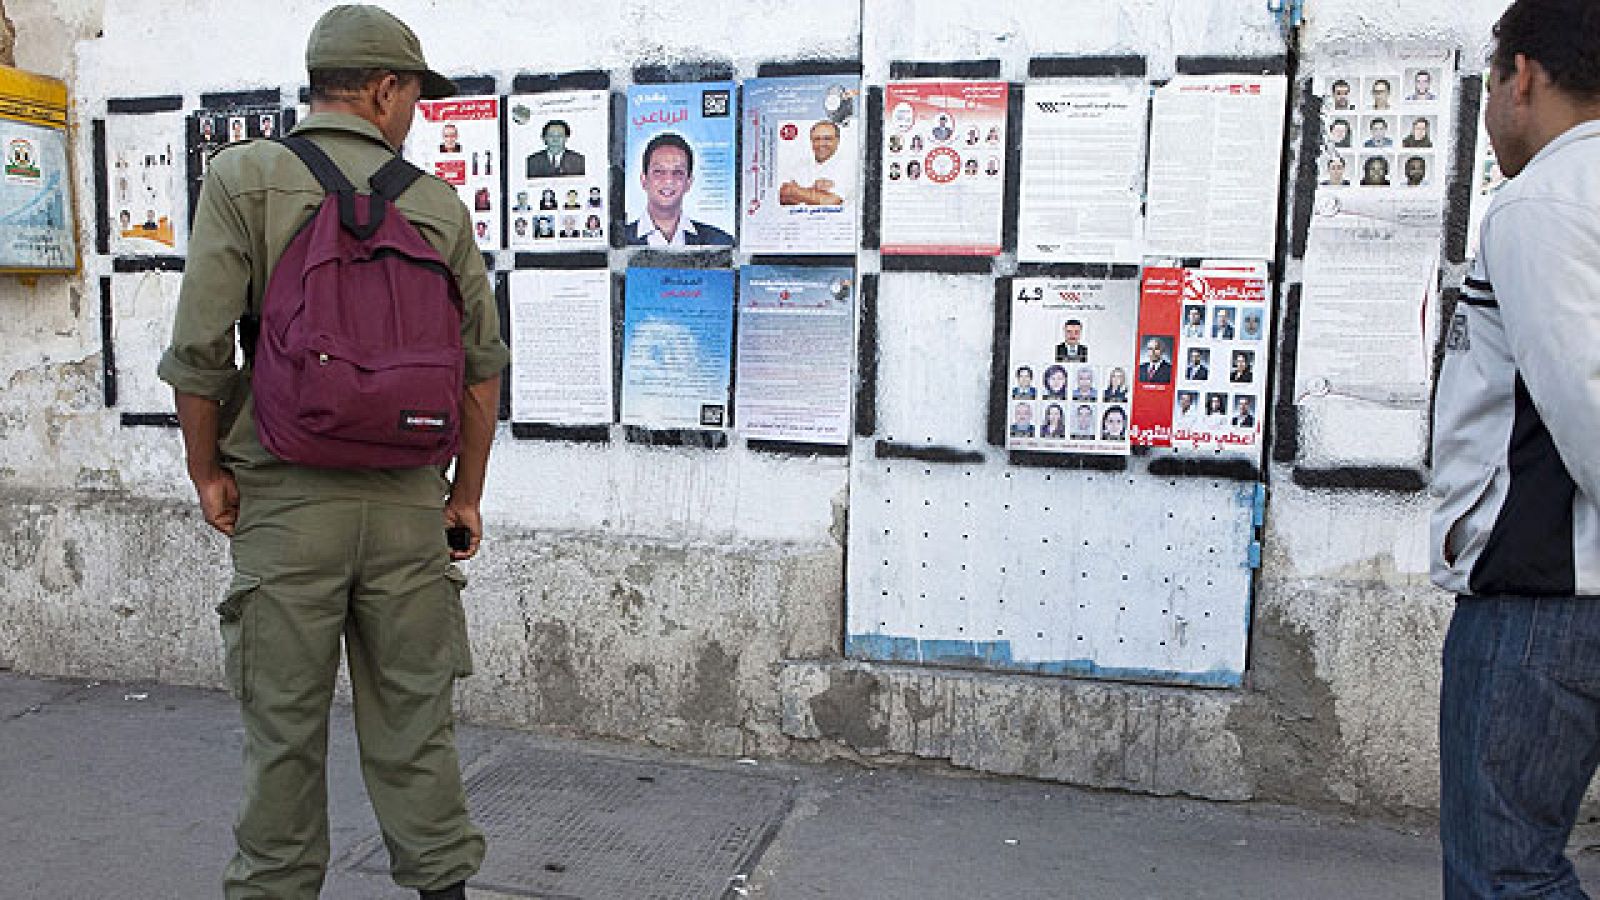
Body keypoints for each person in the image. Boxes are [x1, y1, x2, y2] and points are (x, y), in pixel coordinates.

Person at [157, 7, 506, 900]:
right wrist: (463, 498)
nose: (416, 113)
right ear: (385, 89)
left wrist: (209, 473)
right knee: (416, 727)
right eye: (415, 95)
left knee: (282, 734)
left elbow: (201, 352)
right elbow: (479, 373)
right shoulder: (434, 206)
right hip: (403, 510)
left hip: (284, 505)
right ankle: (441, 891)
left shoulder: (245, 178)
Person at [1434, 2, 1600, 895]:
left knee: (1504, 873)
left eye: (1492, 82)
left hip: (1546, 605)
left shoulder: (1543, 199)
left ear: (1522, 76)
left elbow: (1586, 399)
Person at [623, 132, 734, 246]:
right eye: (659, 172)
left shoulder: (719, 243)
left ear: (689, 182)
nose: (668, 180)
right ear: (643, 180)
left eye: (678, 172)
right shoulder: (619, 242)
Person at [780, 120, 848, 206]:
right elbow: (783, 195)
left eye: (827, 139)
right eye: (817, 139)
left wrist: (795, 191)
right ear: (811, 141)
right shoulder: (800, 165)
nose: (821, 144)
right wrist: (816, 193)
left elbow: (830, 202)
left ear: (837, 141)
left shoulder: (847, 166)